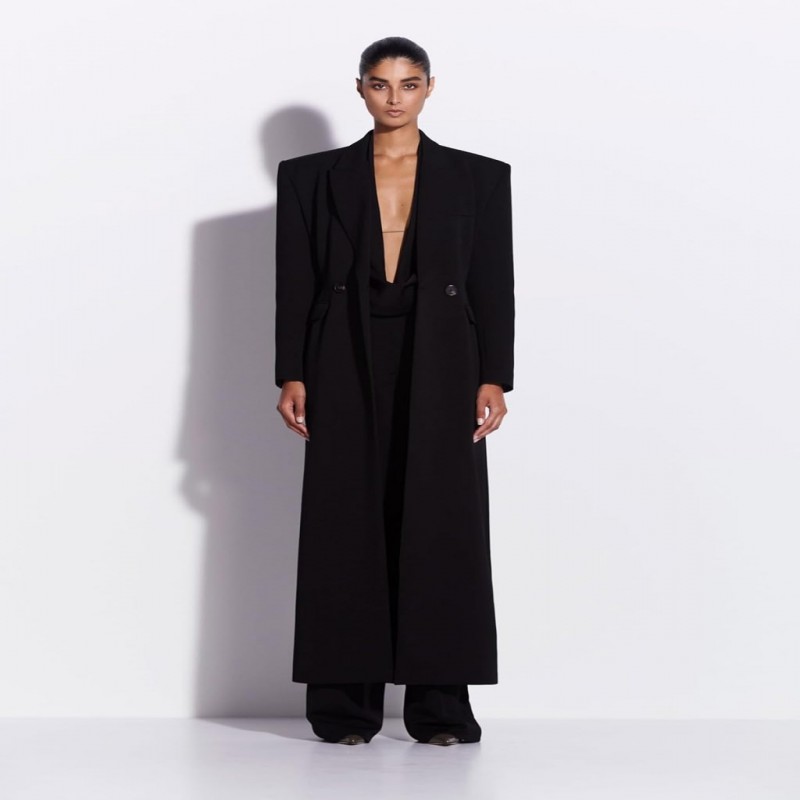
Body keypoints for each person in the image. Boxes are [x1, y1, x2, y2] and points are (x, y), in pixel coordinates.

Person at [274, 36, 515, 746]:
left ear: (430, 87)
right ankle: (344, 709)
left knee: (442, 520)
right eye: (380, 84)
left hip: (443, 355)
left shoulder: (479, 177)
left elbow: (492, 280)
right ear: (360, 89)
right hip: (341, 353)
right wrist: (292, 371)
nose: (394, 98)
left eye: (409, 84)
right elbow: (294, 280)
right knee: (344, 519)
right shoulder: (310, 177)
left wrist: (494, 374)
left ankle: (440, 708)